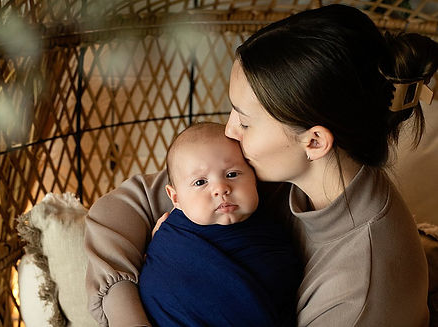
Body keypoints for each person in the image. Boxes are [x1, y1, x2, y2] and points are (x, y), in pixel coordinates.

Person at [85, 4, 437, 326]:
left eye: (245, 121)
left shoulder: (360, 294)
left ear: (314, 141)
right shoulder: (286, 171)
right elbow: (120, 207)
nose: (229, 130)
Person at [138, 122, 300, 327]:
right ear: (175, 198)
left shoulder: (272, 233)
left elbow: (284, 282)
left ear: (255, 178)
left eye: (232, 174)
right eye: (200, 182)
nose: (221, 189)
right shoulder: (170, 236)